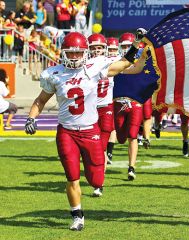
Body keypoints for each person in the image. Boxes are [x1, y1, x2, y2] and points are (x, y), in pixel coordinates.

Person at [24, 29, 146, 231]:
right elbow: (40, 100)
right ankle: (77, 215)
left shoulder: (94, 67)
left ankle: (94, 187)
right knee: (71, 176)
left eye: (78, 52)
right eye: (70, 52)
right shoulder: (54, 74)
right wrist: (31, 117)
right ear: (63, 52)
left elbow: (125, 63)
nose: (74, 56)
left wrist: (136, 44)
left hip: (90, 131)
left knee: (96, 179)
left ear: (85, 53)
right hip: (67, 132)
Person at [113, 32, 147, 181]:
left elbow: (142, 66)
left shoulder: (140, 60)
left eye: (129, 46)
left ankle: (131, 167)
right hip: (118, 103)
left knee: (133, 136)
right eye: (125, 46)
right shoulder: (114, 61)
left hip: (135, 102)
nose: (127, 49)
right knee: (121, 138)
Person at [87, 33, 116, 197]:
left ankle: (99, 183)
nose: (97, 50)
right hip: (88, 109)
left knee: (101, 147)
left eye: (99, 47)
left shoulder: (110, 62)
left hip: (105, 108)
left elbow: (130, 68)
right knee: (89, 148)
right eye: (93, 47)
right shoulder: (82, 64)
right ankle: (95, 177)